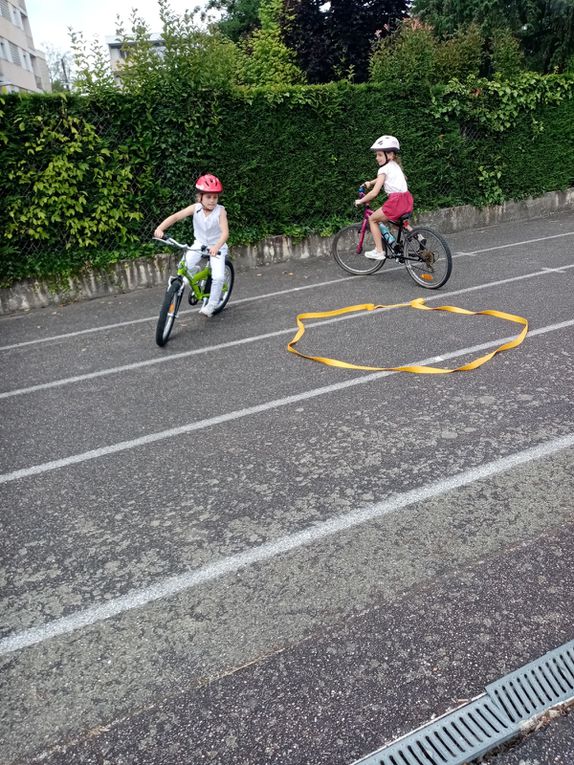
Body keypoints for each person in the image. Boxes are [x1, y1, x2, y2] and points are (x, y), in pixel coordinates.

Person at [154, 174, 229, 317]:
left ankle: (212, 304)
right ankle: (194, 272)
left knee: (218, 277)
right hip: (199, 244)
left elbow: (225, 233)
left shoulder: (220, 211)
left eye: (215, 197)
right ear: (200, 197)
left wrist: (216, 247)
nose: (212, 201)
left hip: (217, 247)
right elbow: (176, 217)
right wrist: (160, 228)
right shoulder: (195, 208)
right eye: (208, 197)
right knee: (183, 267)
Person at [354, 135, 415, 261]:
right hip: (406, 200)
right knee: (398, 223)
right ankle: (418, 236)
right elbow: (383, 178)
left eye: (380, 155)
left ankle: (379, 251)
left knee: (372, 219)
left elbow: (374, 193)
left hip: (395, 202)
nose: (377, 158)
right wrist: (370, 182)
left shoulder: (383, 169)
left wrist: (361, 200)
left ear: (390, 155)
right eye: (376, 155)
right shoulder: (394, 165)